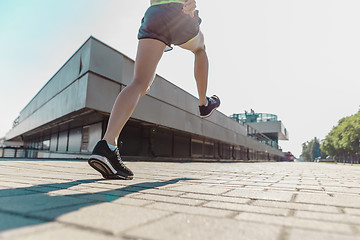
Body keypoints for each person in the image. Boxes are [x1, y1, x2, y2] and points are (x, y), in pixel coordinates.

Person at [88, 0, 220, 180]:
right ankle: (204, 103)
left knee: (139, 83)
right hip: (179, 12)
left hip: (154, 13)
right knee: (199, 48)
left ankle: (107, 146)